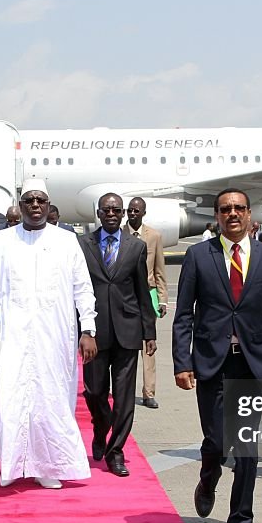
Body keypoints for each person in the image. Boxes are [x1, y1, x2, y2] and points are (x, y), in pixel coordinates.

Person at [173, 188, 262, 523]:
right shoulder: (197, 256)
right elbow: (184, 316)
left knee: (246, 447)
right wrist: (183, 362)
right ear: (217, 216)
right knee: (215, 440)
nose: (233, 214)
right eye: (226, 209)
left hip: (251, 363)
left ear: (250, 214)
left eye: (239, 208)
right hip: (211, 362)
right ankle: (208, 477)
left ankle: (240, 522)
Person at [0, 186, 97, 490]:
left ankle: (49, 465)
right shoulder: (1, 242)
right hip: (10, 336)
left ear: (49, 205)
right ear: (21, 205)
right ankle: (12, 465)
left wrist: (88, 329)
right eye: (29, 201)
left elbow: (83, 287)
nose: (35, 205)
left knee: (51, 401)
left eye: (41, 200)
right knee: (11, 400)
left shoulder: (66, 241)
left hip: (54, 336)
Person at [80, 193, 157, 477]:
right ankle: (100, 429)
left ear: (123, 213)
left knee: (124, 399)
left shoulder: (136, 247)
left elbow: (142, 290)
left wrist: (149, 331)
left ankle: (116, 452)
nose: (111, 213)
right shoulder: (82, 245)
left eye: (116, 209)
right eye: (106, 210)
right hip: (94, 333)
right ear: (98, 214)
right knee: (95, 392)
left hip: (127, 331)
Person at [124, 196, 168, 409]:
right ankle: (123, 391)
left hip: (148, 294)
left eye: (136, 211)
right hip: (125, 296)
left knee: (148, 345)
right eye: (130, 210)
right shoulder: (119, 234)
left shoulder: (154, 236)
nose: (132, 214)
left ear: (143, 213)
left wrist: (163, 299)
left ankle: (149, 392)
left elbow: (160, 270)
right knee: (125, 346)